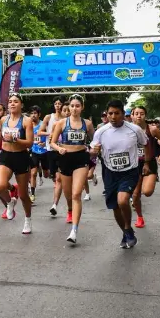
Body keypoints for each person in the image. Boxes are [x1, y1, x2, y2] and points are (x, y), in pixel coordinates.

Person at [90, 100, 149, 249]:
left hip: (130, 171)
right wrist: (93, 153)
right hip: (110, 172)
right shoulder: (101, 132)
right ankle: (125, 232)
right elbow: (92, 153)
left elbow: (146, 144)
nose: (113, 116)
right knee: (115, 206)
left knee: (123, 201)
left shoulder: (135, 129)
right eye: (110, 113)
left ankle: (128, 228)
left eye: (117, 113)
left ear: (123, 114)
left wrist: (147, 163)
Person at [50, 95, 94, 243]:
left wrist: (93, 150)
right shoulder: (62, 123)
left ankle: (74, 230)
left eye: (77, 106)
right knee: (68, 195)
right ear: (69, 107)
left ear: (82, 107)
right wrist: (59, 149)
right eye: (72, 106)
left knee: (76, 194)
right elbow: (52, 143)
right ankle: (70, 210)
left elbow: (94, 142)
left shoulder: (87, 124)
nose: (74, 109)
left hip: (81, 159)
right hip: (65, 159)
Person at [0, 94, 34, 234]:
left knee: (23, 195)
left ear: (21, 104)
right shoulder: (4, 119)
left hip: (21, 157)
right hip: (6, 156)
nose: (12, 104)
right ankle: (10, 203)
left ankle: (28, 220)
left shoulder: (26, 121)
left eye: (16, 102)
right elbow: (0, 133)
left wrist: (15, 139)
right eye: (10, 102)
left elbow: (29, 142)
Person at [130, 106, 160, 228]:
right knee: (135, 195)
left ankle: (151, 179)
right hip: (134, 165)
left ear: (145, 115)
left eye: (141, 113)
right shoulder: (127, 130)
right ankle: (140, 217)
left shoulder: (152, 129)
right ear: (132, 115)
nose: (139, 116)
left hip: (149, 163)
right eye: (136, 113)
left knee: (147, 192)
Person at [38, 98, 65, 209]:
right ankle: (58, 184)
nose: (57, 105)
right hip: (50, 149)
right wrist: (52, 133)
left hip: (63, 150)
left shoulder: (66, 119)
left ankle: (55, 204)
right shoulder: (49, 117)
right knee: (52, 175)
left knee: (59, 178)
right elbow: (40, 132)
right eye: (56, 103)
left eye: (59, 104)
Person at [29, 106, 49, 202]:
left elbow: (51, 135)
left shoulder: (43, 124)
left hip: (44, 151)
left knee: (46, 174)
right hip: (34, 151)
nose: (33, 115)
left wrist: (45, 143)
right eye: (31, 113)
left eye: (35, 113)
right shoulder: (28, 125)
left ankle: (44, 174)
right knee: (33, 173)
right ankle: (32, 194)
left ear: (39, 114)